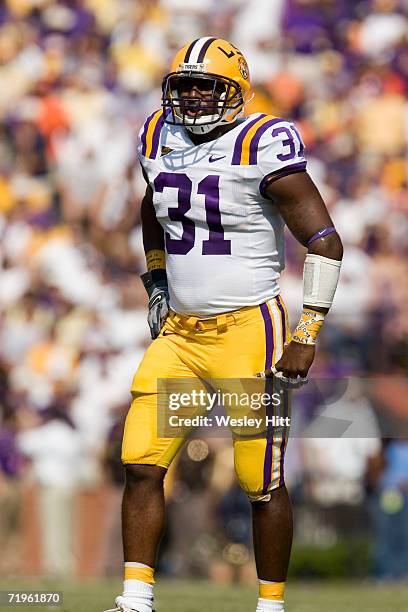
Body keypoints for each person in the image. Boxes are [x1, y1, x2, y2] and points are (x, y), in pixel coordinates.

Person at [105, 37, 343, 612]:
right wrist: (157, 280)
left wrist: (306, 333)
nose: (191, 98)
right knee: (140, 462)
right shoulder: (159, 133)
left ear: (234, 93)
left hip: (249, 331)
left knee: (260, 480)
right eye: (183, 86)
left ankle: (270, 604)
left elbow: (325, 243)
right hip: (182, 335)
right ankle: (136, 598)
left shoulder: (263, 143)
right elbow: (153, 204)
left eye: (205, 87)